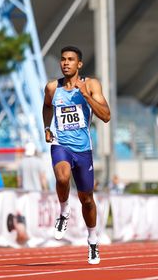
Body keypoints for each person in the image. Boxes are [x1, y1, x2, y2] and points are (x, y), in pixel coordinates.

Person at [42, 46, 110, 265]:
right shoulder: (53, 87)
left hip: (83, 149)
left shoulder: (91, 84)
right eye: (63, 59)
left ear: (79, 64)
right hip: (60, 144)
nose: (66, 63)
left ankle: (92, 240)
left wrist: (86, 96)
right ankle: (63, 212)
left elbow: (106, 116)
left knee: (87, 200)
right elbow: (46, 107)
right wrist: (46, 127)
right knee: (62, 178)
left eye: (71, 60)